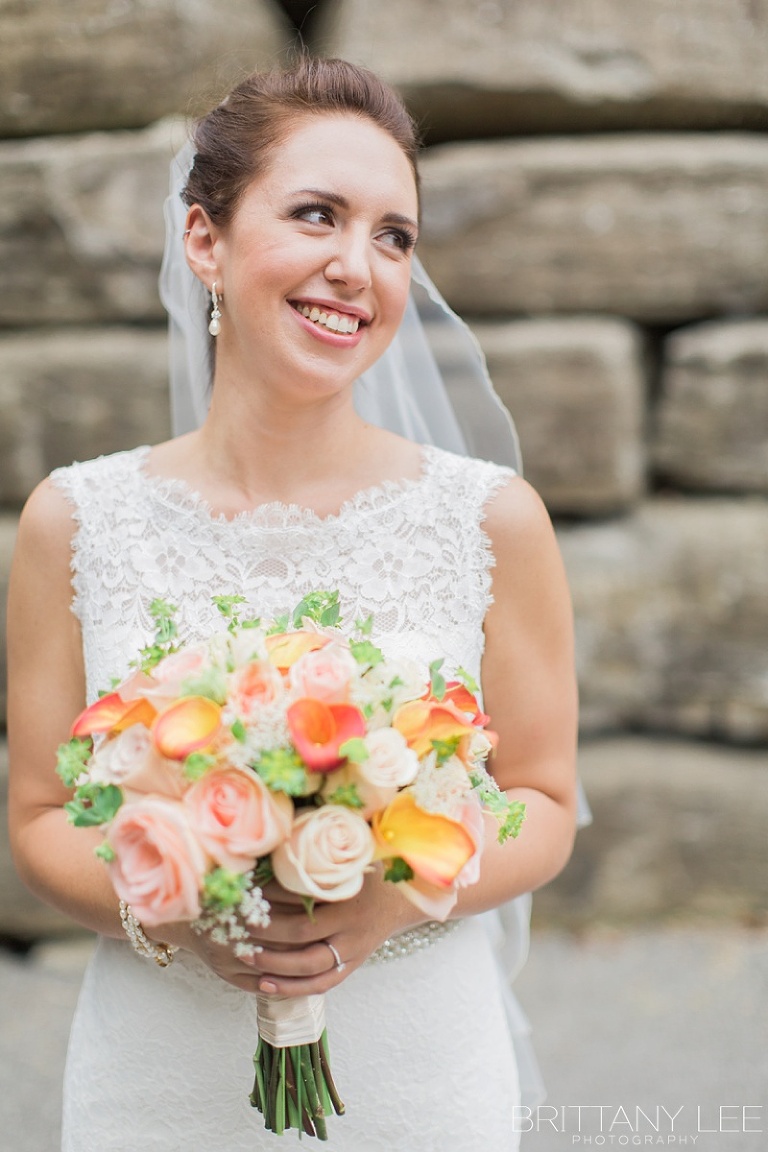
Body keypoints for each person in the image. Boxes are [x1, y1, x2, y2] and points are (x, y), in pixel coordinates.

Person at [7, 57, 578, 1151]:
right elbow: (37, 817)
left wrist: (400, 895)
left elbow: (544, 800)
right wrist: (176, 903)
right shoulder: (74, 522)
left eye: (394, 235)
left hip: (419, 1076)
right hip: (157, 1081)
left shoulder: (489, 520)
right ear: (203, 242)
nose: (356, 267)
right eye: (317, 214)